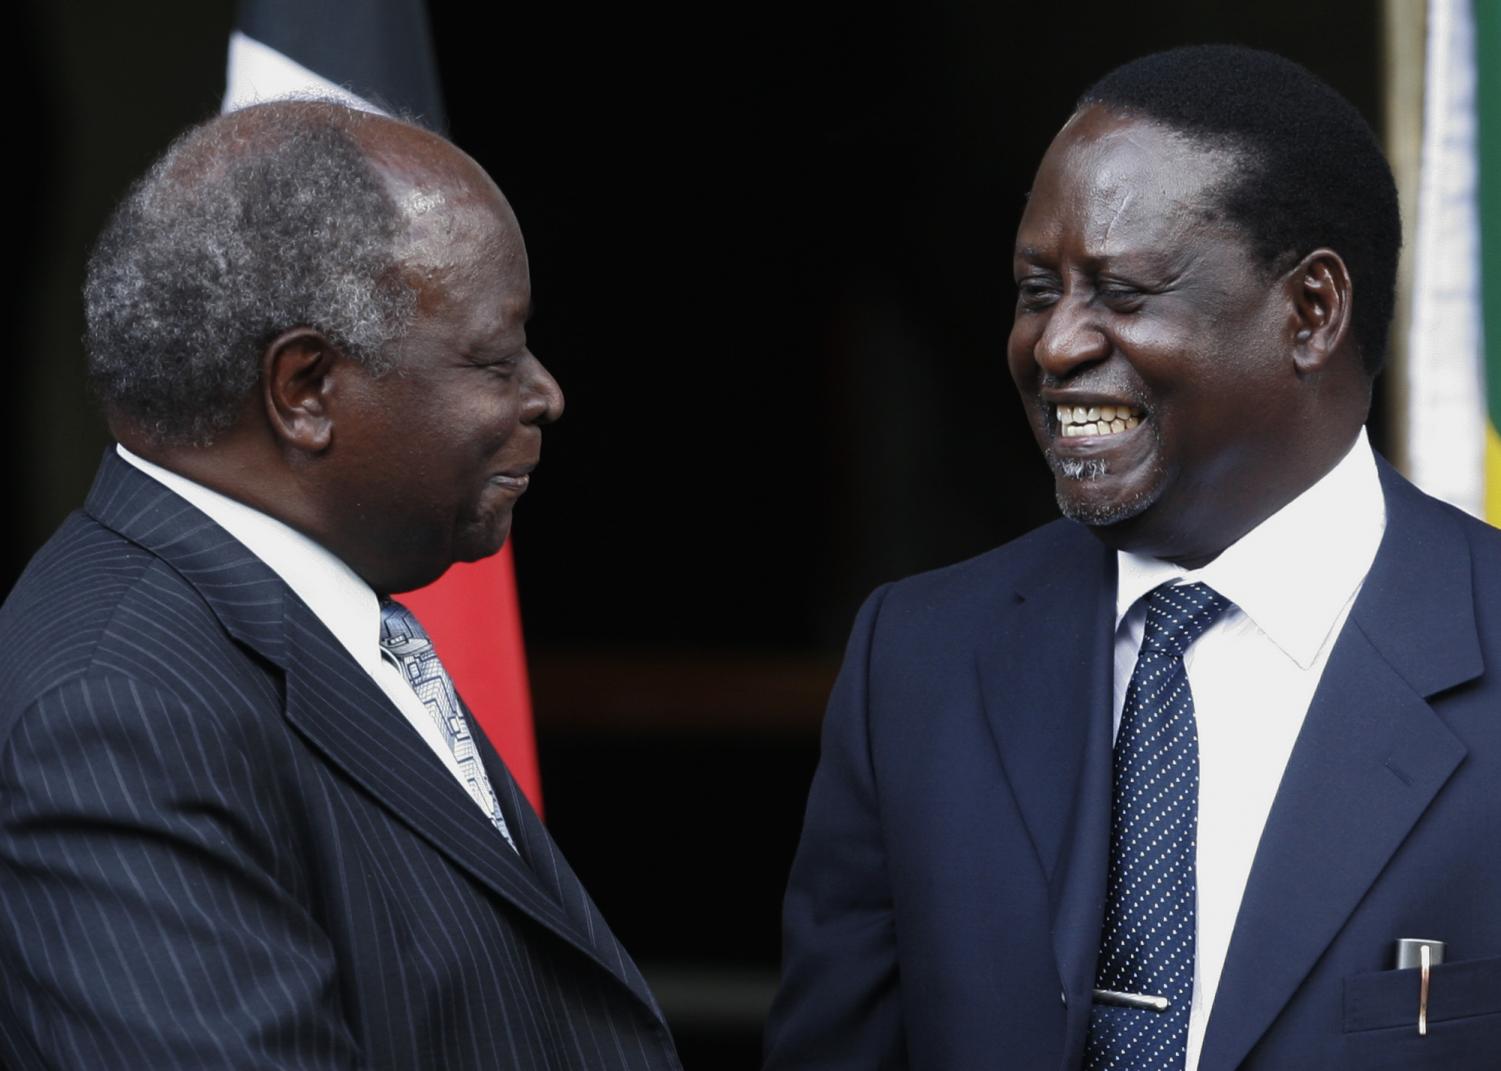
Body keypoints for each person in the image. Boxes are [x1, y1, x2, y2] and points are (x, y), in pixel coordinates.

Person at [765, 45, 1501, 1071]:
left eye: (1120, 291)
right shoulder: (918, 660)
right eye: (1035, 290)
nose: (1056, 344)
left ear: (1311, 312)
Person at [0, 100, 681, 1070]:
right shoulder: (119, 707)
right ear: (305, 388)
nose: (544, 394)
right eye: (494, 357)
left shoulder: (306, 622)